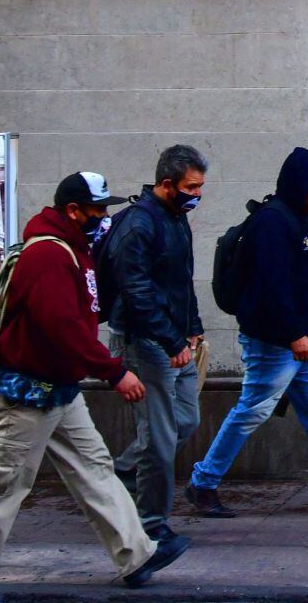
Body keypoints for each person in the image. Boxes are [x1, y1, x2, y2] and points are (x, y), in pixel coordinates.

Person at [0, 172, 189, 603]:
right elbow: (61, 328)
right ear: (73, 211)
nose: (102, 218)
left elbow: (77, 319)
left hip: (55, 387)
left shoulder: (74, 249)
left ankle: (137, 554)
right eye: (96, 211)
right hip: (25, 394)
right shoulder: (50, 256)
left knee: (95, 469)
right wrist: (113, 371)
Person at [185, 147, 308, 517]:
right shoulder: (274, 223)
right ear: (297, 185)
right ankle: (203, 482)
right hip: (277, 341)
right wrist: (295, 334)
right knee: (252, 410)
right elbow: (271, 286)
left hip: (306, 340)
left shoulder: (305, 219)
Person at [105, 145, 207, 544]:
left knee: (186, 420)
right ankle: (151, 524)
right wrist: (170, 340)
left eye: (200, 186)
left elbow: (181, 280)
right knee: (161, 436)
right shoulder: (138, 225)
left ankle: (124, 473)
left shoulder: (175, 217)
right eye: (191, 187)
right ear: (167, 184)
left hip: (174, 339)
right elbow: (137, 292)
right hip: (148, 343)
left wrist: (192, 327)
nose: (197, 194)